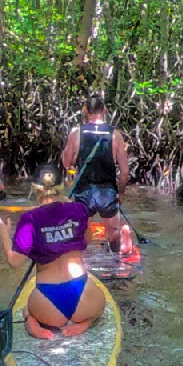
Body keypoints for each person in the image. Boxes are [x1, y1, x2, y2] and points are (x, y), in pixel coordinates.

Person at [0, 167, 104, 340]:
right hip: (83, 295)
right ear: (62, 185)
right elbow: (87, 239)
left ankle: (32, 322)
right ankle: (85, 322)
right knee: (100, 306)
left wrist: (4, 233)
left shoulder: (29, 219)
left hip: (48, 301)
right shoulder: (79, 209)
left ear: (34, 189)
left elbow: (15, 261)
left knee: (26, 309)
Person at [60, 92, 137, 262]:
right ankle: (118, 247)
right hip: (107, 192)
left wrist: (74, 158)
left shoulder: (76, 133)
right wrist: (121, 193)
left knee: (81, 233)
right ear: (105, 110)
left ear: (85, 110)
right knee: (112, 234)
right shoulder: (115, 134)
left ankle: (82, 263)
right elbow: (124, 172)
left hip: (84, 192)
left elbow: (66, 163)